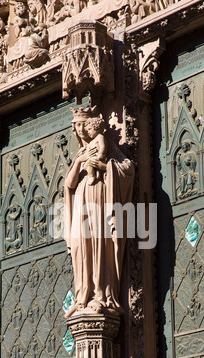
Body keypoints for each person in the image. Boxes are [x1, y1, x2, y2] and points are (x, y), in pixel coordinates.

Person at [63, 106, 135, 318]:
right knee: (80, 246)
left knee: (98, 244)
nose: (81, 130)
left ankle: (101, 296)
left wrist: (103, 167)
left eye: (83, 125)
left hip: (100, 199)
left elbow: (128, 168)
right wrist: (78, 162)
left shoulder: (106, 144)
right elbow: (69, 183)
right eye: (77, 126)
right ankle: (82, 297)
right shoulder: (79, 153)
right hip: (81, 203)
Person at [83, 116, 107, 185]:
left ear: (97, 127)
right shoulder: (91, 141)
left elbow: (103, 146)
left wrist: (101, 154)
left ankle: (92, 176)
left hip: (98, 156)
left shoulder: (100, 137)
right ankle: (96, 173)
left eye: (90, 129)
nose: (88, 132)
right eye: (87, 131)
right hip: (92, 157)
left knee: (89, 163)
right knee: (86, 165)